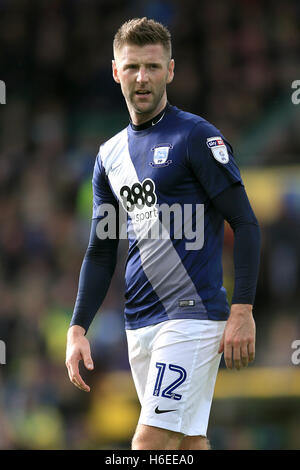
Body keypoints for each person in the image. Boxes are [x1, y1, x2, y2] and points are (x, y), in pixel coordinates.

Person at [65, 17, 261, 450]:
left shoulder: (196, 137)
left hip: (192, 316)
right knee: (188, 443)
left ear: (170, 71)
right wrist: (78, 327)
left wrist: (243, 309)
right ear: (116, 71)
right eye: (132, 66)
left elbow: (245, 222)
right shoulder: (109, 156)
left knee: (148, 445)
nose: (142, 77)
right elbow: (101, 250)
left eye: (153, 67)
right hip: (140, 322)